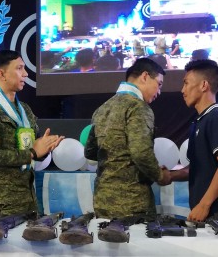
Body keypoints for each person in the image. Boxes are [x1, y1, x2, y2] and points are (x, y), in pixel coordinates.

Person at [0, 50, 64, 217]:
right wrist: (33, 152)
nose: (25, 73)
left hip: (28, 196)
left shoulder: (25, 109)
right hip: (4, 201)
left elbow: (32, 151)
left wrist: (44, 149)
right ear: (2, 74)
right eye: (19, 68)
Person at [84, 58, 172, 219]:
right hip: (132, 203)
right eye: (159, 84)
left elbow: (90, 152)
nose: (159, 91)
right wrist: (160, 176)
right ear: (145, 76)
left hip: (102, 200)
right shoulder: (138, 107)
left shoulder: (102, 108)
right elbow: (140, 152)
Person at [170, 59, 218, 222]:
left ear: (204, 85)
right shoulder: (199, 121)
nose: (182, 90)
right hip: (206, 217)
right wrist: (170, 176)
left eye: (186, 83)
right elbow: (198, 168)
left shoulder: (215, 117)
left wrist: (204, 205)